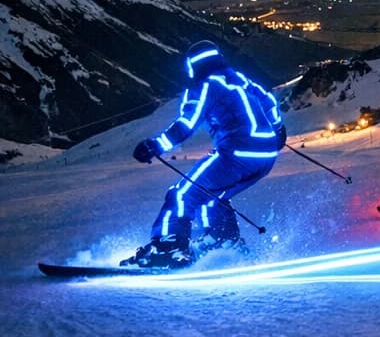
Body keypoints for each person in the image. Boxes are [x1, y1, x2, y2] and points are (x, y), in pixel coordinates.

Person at [122, 41, 286, 268]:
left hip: (236, 154)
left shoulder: (204, 86)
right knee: (213, 195)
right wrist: (278, 131)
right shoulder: (240, 79)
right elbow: (268, 101)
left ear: (193, 66)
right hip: (266, 156)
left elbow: (187, 123)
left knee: (182, 195)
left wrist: (155, 145)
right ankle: (223, 242)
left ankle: (168, 248)